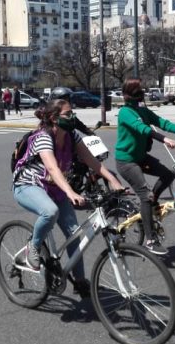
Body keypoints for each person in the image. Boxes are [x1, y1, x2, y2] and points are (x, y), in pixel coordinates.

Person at [13, 99, 123, 296]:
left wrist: (112, 179)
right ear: (54, 118)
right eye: (68, 114)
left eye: (73, 113)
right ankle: (33, 248)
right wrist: (71, 192)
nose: (73, 117)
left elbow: (91, 160)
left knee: (74, 234)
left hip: (55, 188)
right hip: (28, 185)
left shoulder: (72, 135)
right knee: (49, 211)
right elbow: (53, 168)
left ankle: (80, 282)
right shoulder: (43, 137)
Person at [115, 79, 175, 254]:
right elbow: (143, 129)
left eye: (141, 89)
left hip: (141, 158)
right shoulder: (125, 112)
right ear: (127, 94)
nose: (141, 92)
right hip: (127, 161)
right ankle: (150, 239)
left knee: (168, 175)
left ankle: (151, 203)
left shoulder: (142, 110)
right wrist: (165, 139)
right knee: (144, 195)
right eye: (137, 90)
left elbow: (163, 123)